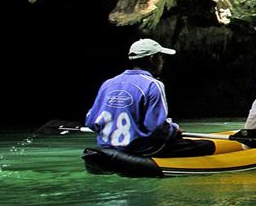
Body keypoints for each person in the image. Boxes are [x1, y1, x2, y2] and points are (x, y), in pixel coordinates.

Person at [85, 38, 214, 157]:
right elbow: (156, 128)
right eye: (161, 57)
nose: (162, 62)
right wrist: (174, 130)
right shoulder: (153, 85)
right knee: (207, 146)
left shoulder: (108, 84)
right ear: (152, 59)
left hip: (108, 146)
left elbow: (91, 121)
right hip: (143, 149)